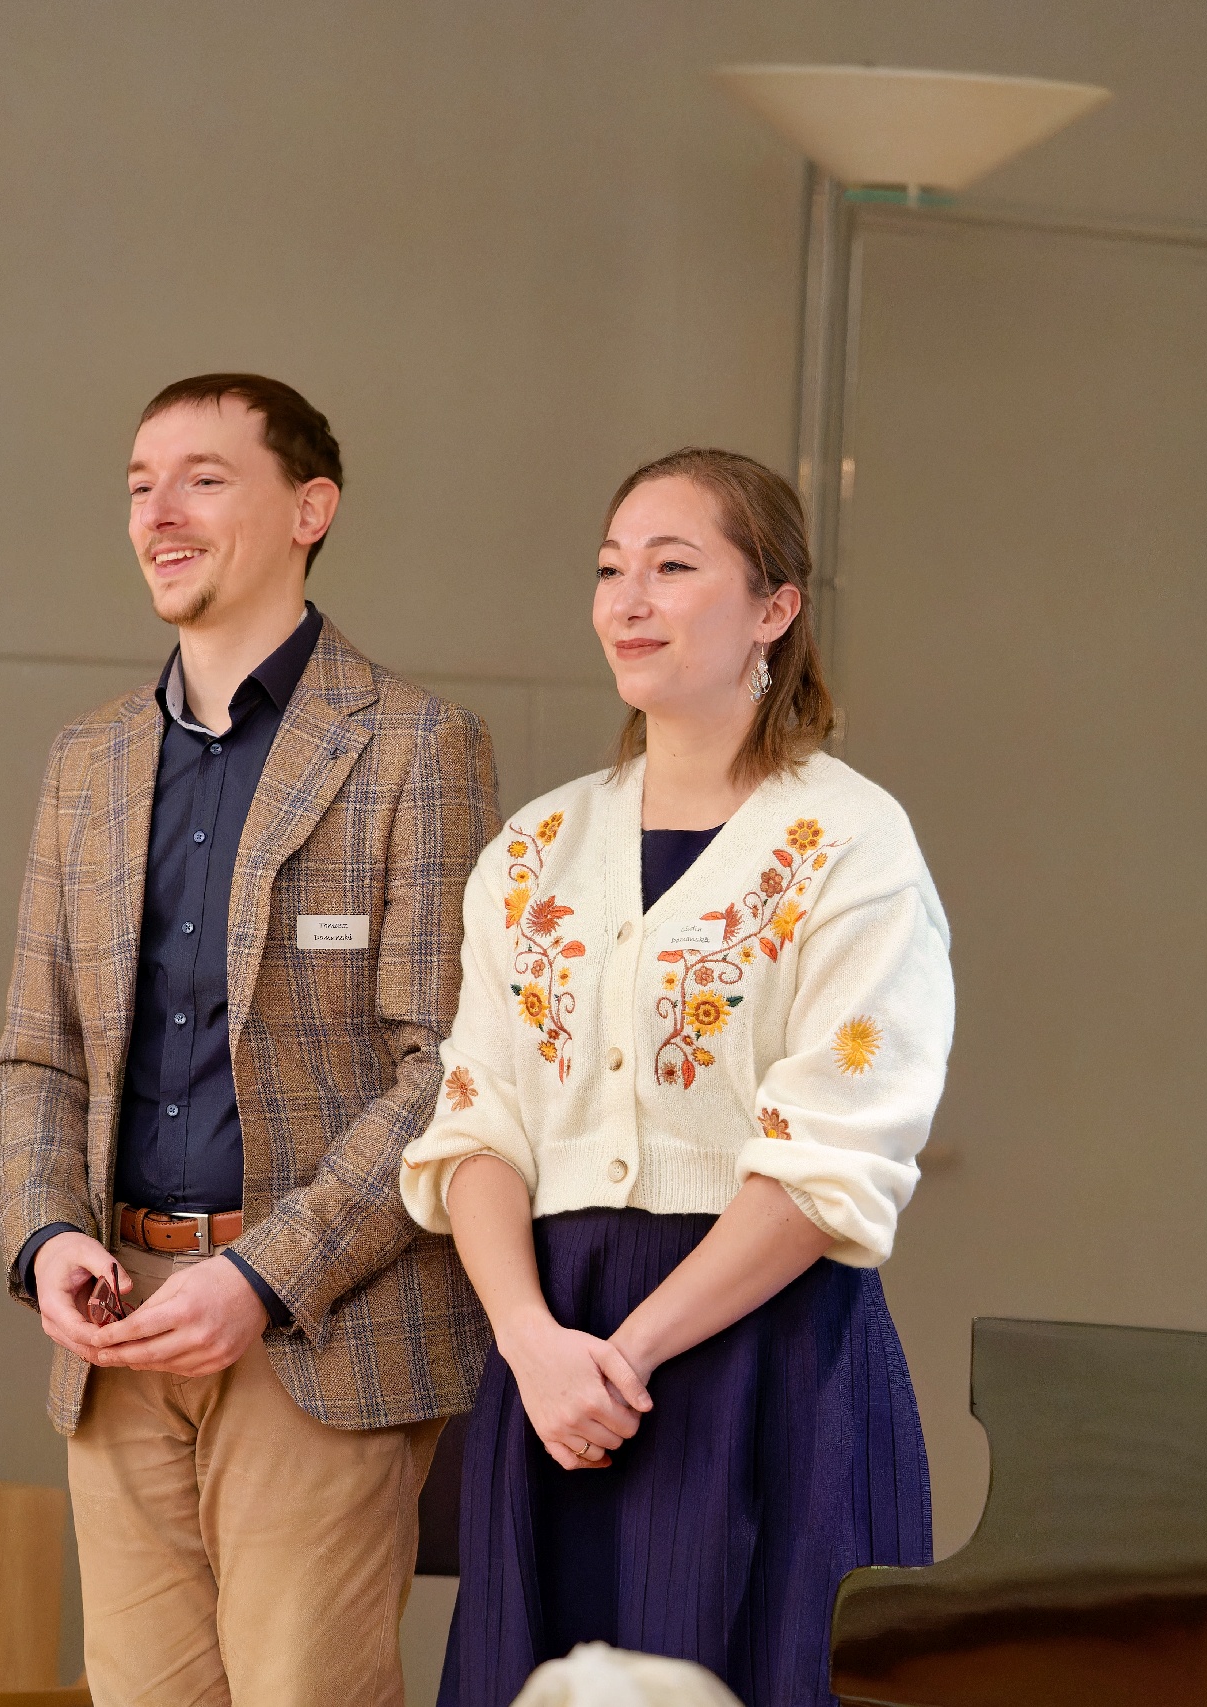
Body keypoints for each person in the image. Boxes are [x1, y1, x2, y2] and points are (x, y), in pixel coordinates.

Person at [402, 447, 954, 1706]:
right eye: (610, 570)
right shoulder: (536, 847)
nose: (629, 600)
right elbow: (475, 1120)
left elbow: (832, 1155)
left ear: (774, 607)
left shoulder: (852, 843)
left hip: (762, 1360)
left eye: (671, 566)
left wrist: (629, 1355)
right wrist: (535, 1345)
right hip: (553, 1360)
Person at [0, 373, 499, 1706]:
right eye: (138, 485)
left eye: (203, 478)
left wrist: (261, 1277)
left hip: (318, 1331)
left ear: (308, 509)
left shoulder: (417, 745)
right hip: (117, 1331)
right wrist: (45, 1237)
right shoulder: (88, 762)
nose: (157, 511)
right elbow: (39, 1054)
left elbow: (445, 1071)